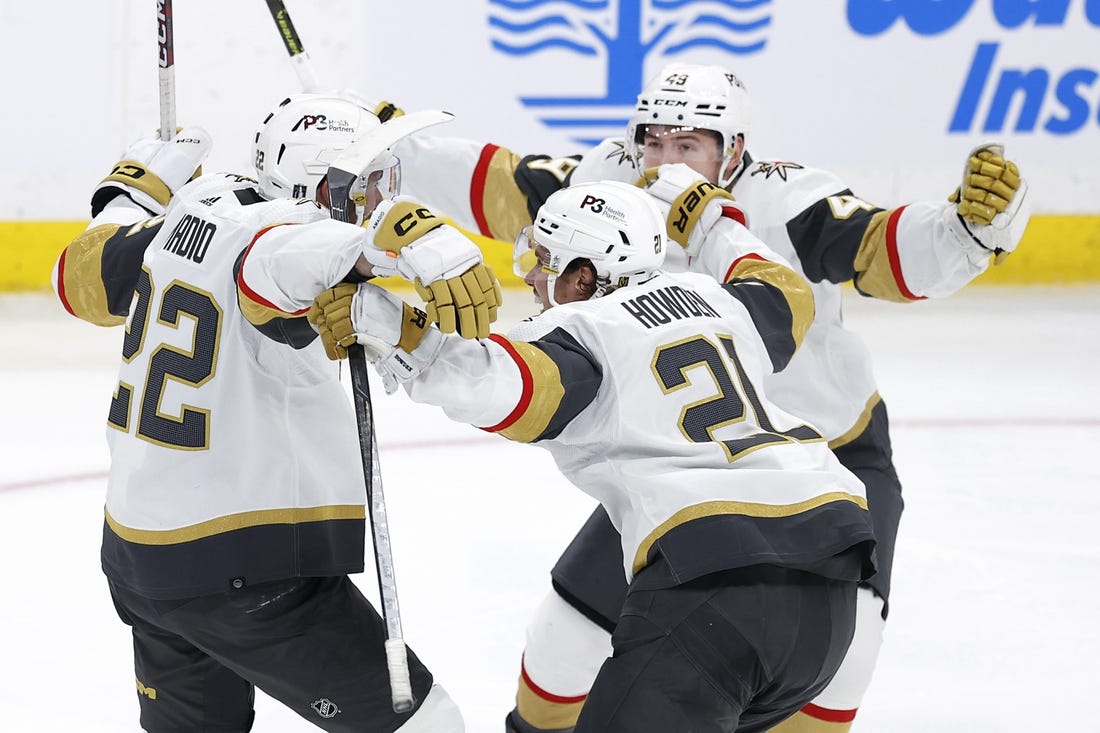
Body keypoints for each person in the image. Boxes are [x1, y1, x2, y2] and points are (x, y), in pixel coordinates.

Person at [384, 62, 1031, 732]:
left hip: (824, 462)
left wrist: (965, 233)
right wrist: (387, 147)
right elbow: (505, 183)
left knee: (849, 647)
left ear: (735, 153)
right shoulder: (610, 188)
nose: (665, 163)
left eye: (688, 145)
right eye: (654, 142)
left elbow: (882, 249)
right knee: (565, 633)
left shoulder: (784, 202)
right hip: (677, 465)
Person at [309, 180, 878, 732]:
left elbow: (511, 388)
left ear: (583, 277)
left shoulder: (585, 327)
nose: (531, 276)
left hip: (715, 589)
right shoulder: (717, 300)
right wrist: (711, 222)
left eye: (547, 262)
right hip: (831, 589)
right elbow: (782, 286)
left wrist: (403, 334)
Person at [51, 91, 502, 732]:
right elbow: (294, 259)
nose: (379, 197)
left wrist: (134, 191)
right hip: (244, 568)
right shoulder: (281, 239)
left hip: (141, 555)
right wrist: (396, 242)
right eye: (370, 183)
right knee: (432, 727)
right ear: (323, 184)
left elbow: (78, 277)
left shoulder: (190, 214)